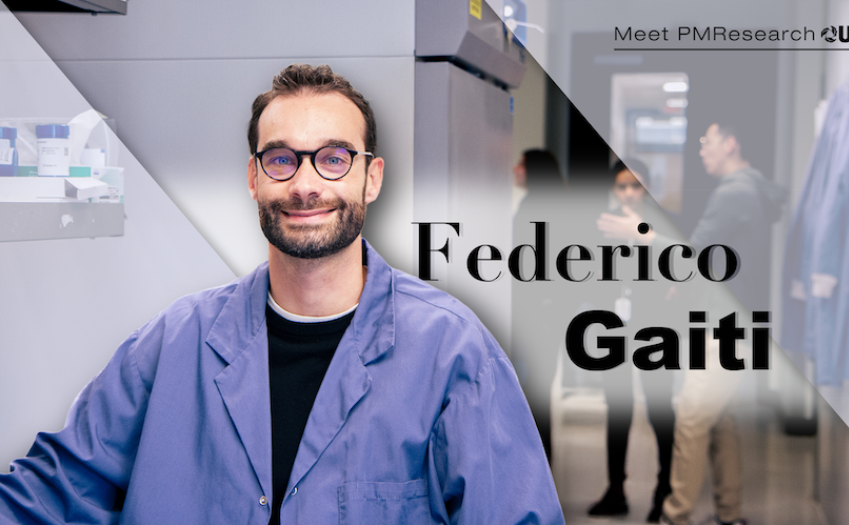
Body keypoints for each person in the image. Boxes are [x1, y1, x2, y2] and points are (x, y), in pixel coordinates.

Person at [0, 64, 563, 525]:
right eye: (281, 159)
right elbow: (47, 494)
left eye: (335, 158)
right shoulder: (174, 342)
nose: (306, 183)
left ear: (372, 177)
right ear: (254, 178)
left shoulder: (451, 352)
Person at [659, 123, 786, 525]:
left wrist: (640, 233)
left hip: (725, 330)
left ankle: (674, 517)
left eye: (707, 142)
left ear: (731, 144)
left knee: (692, 418)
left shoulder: (733, 193)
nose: (701, 150)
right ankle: (730, 515)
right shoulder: (754, 192)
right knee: (720, 419)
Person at [588, 159, 675, 522]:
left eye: (636, 186)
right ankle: (615, 490)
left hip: (654, 328)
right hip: (616, 328)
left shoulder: (662, 225)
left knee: (659, 409)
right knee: (618, 409)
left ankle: (665, 490)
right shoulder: (602, 224)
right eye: (622, 187)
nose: (628, 194)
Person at [510, 149, 567, 462]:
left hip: (536, 315)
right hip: (547, 313)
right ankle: (542, 465)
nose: (515, 168)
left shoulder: (536, 207)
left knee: (532, 394)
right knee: (538, 392)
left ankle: (537, 466)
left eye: (521, 163)